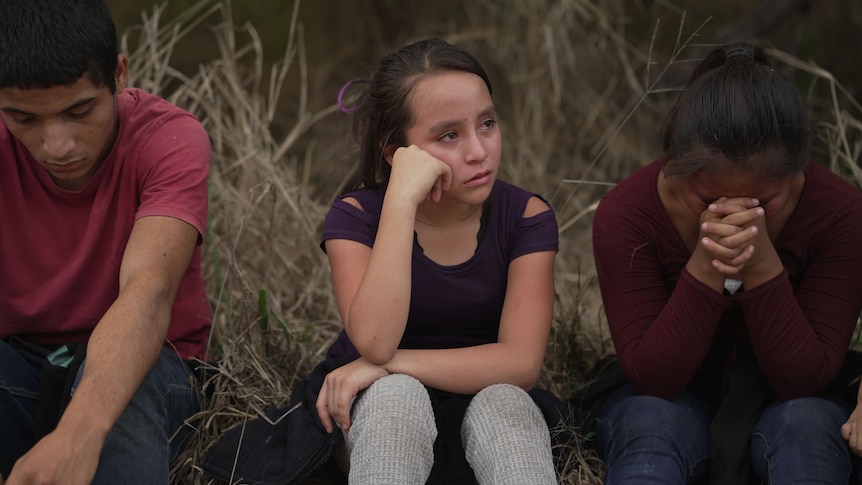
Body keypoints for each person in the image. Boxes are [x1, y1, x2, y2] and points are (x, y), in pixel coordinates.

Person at [591, 41, 862, 484]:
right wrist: (706, 267)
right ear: (675, 166)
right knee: (650, 427)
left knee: (807, 429)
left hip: (792, 401)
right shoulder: (627, 214)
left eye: (761, 202)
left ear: (798, 172)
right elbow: (654, 379)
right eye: (709, 200)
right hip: (672, 397)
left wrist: (761, 269)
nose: (735, 215)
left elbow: (804, 380)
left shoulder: (840, 213)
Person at [316, 38, 561, 484]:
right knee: (396, 397)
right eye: (449, 135)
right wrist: (400, 201)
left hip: (483, 400)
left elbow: (521, 363)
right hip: (378, 415)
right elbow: (374, 340)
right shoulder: (356, 218)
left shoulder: (526, 217)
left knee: (505, 402)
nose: (478, 151)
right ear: (398, 154)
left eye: (487, 123)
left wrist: (392, 363)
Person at [0, 1, 211, 484]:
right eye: (24, 120)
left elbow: (149, 290)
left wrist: (79, 433)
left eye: (79, 111)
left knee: (124, 402)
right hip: (22, 364)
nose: (57, 145)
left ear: (118, 74)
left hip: (154, 368)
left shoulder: (169, 139)